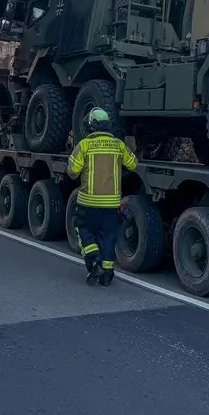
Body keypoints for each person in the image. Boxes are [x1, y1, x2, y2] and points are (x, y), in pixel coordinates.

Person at [66, 108, 137, 286]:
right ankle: (107, 273)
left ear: (91, 126)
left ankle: (94, 262)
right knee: (109, 237)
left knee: (84, 231)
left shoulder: (84, 145)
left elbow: (72, 172)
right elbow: (133, 163)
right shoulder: (118, 145)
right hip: (111, 205)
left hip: (88, 204)